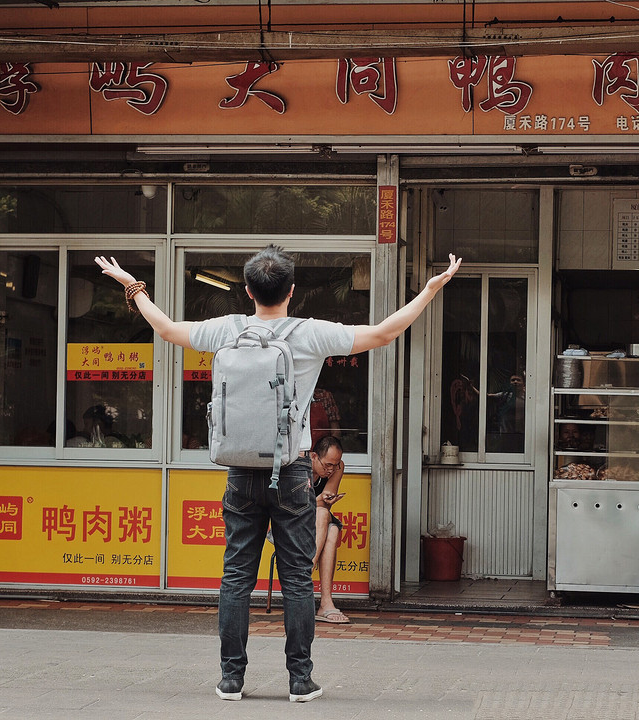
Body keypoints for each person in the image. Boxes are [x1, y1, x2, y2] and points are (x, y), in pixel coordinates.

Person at [95, 245, 461, 704]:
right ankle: (300, 679)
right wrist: (429, 289)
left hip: (240, 473)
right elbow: (384, 333)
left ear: (247, 290)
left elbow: (167, 328)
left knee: (235, 578)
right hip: (290, 474)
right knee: (294, 578)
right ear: (292, 291)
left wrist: (131, 284)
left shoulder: (227, 329)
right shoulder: (309, 334)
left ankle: (231, 679)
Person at [309, 435, 347, 624]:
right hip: (290, 522)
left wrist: (321, 501)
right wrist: (319, 501)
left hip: (318, 522)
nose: (331, 470)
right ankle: (305, 573)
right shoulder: (299, 467)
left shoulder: (337, 468)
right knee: (323, 516)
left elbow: (325, 503)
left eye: (336, 464)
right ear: (314, 456)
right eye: (327, 465)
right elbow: (294, 505)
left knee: (331, 528)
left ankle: (326, 602)